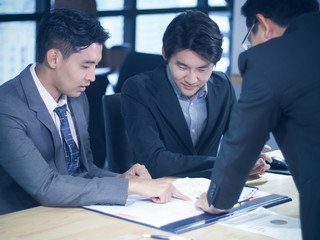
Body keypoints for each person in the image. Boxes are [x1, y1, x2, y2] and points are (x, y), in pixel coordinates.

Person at [0, 9, 187, 215]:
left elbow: (84, 170)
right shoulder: (7, 107)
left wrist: (121, 179)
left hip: (71, 212)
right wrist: (131, 187)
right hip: (22, 220)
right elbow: (46, 187)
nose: (92, 77)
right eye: (85, 66)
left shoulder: (77, 97)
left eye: (95, 66)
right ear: (54, 58)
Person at [195, 1, 320, 239]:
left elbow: (242, 142)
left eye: (250, 38)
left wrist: (217, 199)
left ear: (264, 24)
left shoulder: (271, 59)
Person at [121, 10, 271, 179]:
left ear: (214, 63)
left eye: (202, 69)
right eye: (182, 67)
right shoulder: (138, 89)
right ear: (165, 53)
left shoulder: (222, 86)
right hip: (158, 194)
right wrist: (226, 164)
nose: (192, 79)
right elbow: (154, 162)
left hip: (209, 190)